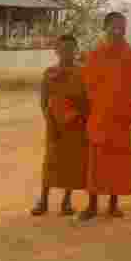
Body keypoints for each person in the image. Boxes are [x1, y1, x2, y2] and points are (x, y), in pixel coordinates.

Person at [80, 12, 131, 221]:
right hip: (100, 115)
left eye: (122, 27)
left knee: (118, 161)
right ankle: (92, 204)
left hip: (121, 118)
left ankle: (114, 204)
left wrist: (129, 111)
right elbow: (87, 86)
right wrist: (97, 105)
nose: (119, 30)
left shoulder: (130, 56)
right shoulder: (95, 55)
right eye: (115, 26)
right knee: (96, 161)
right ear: (105, 28)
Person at [31, 34, 88, 216]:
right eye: (63, 49)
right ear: (56, 51)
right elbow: (43, 100)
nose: (67, 53)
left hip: (76, 124)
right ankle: (43, 200)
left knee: (72, 162)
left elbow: (87, 100)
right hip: (54, 124)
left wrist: (81, 119)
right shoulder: (49, 73)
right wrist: (50, 120)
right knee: (50, 162)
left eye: (70, 49)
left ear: (75, 50)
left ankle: (66, 201)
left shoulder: (83, 72)